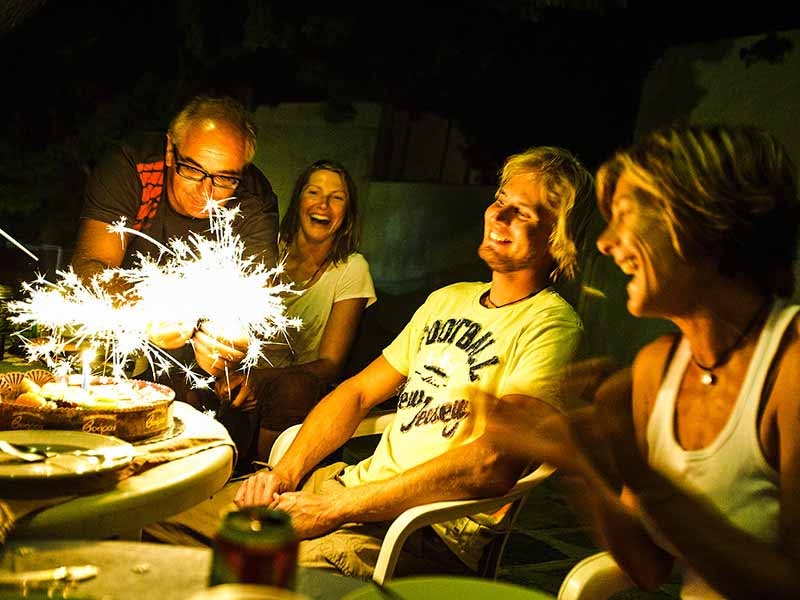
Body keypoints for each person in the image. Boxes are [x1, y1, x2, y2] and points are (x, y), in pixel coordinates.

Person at [145, 145, 596, 579]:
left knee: (236, 567)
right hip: (347, 490)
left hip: (418, 529)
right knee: (156, 523)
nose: (498, 215)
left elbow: (491, 463)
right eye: (500, 201)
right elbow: (357, 392)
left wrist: (337, 509)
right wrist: (283, 474)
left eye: (524, 212)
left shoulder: (551, 324)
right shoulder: (448, 300)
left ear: (559, 237)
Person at [489, 124, 800, 599]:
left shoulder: (790, 370)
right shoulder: (658, 368)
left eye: (627, 216)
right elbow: (648, 568)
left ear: (704, 222)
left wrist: (638, 474)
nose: (605, 242)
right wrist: (577, 459)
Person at [70, 94, 279, 384]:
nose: (205, 191)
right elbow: (92, 265)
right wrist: (146, 309)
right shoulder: (132, 168)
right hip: (115, 342)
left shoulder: (254, 200)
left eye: (224, 179)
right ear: (170, 150)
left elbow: (256, 298)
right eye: (192, 170)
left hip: (195, 368)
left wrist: (230, 341)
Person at [197, 159, 376, 465]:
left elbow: (331, 363)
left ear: (347, 214)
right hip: (242, 369)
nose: (323, 204)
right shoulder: (267, 249)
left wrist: (260, 379)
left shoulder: (351, 268)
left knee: (291, 390)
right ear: (298, 201)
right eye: (314, 192)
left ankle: (265, 479)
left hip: (295, 383)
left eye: (337, 197)